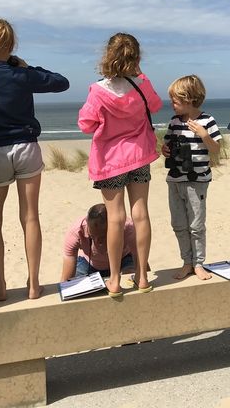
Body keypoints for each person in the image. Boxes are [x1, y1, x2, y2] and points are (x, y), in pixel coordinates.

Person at [0, 18, 70, 300]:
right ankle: (34, 285)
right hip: (26, 146)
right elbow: (62, 83)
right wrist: (26, 67)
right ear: (11, 46)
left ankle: (0, 288)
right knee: (30, 217)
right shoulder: (22, 75)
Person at [78, 32, 162, 297]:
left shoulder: (98, 90)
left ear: (108, 56)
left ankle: (114, 280)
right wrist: (141, 76)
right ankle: (142, 276)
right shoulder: (142, 85)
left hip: (110, 161)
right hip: (139, 155)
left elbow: (85, 124)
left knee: (115, 218)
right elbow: (156, 106)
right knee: (141, 214)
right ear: (136, 58)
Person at [162, 75, 222, 280]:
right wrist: (165, 150)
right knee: (178, 224)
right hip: (175, 180)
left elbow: (215, 149)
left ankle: (198, 264)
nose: (172, 105)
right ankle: (187, 262)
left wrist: (204, 135)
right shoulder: (174, 122)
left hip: (198, 181)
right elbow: (167, 146)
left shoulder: (207, 120)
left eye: (175, 101)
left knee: (196, 225)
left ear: (189, 99)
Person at [60, 203, 137, 281]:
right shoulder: (76, 231)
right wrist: (66, 286)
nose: (98, 241)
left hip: (123, 260)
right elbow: (69, 258)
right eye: (92, 236)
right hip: (88, 263)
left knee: (130, 279)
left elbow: (138, 254)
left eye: (103, 236)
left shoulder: (127, 227)